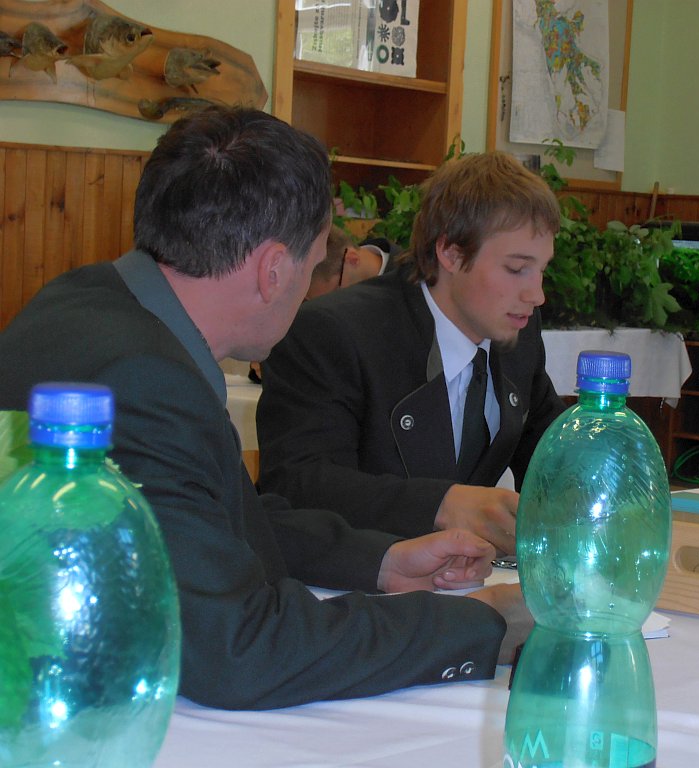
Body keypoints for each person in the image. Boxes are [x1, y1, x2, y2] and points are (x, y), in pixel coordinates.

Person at [0, 107, 531, 710]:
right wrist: (481, 622)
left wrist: (379, 562)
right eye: (313, 263)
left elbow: (206, 519)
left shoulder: (83, 301)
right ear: (274, 269)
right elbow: (241, 649)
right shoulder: (146, 381)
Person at [257, 151, 566, 555]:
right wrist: (442, 505)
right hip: (348, 581)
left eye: (542, 269)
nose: (536, 294)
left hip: (466, 579)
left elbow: (551, 451)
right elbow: (299, 486)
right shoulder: (331, 333)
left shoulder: (516, 333)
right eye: (516, 268)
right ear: (450, 253)